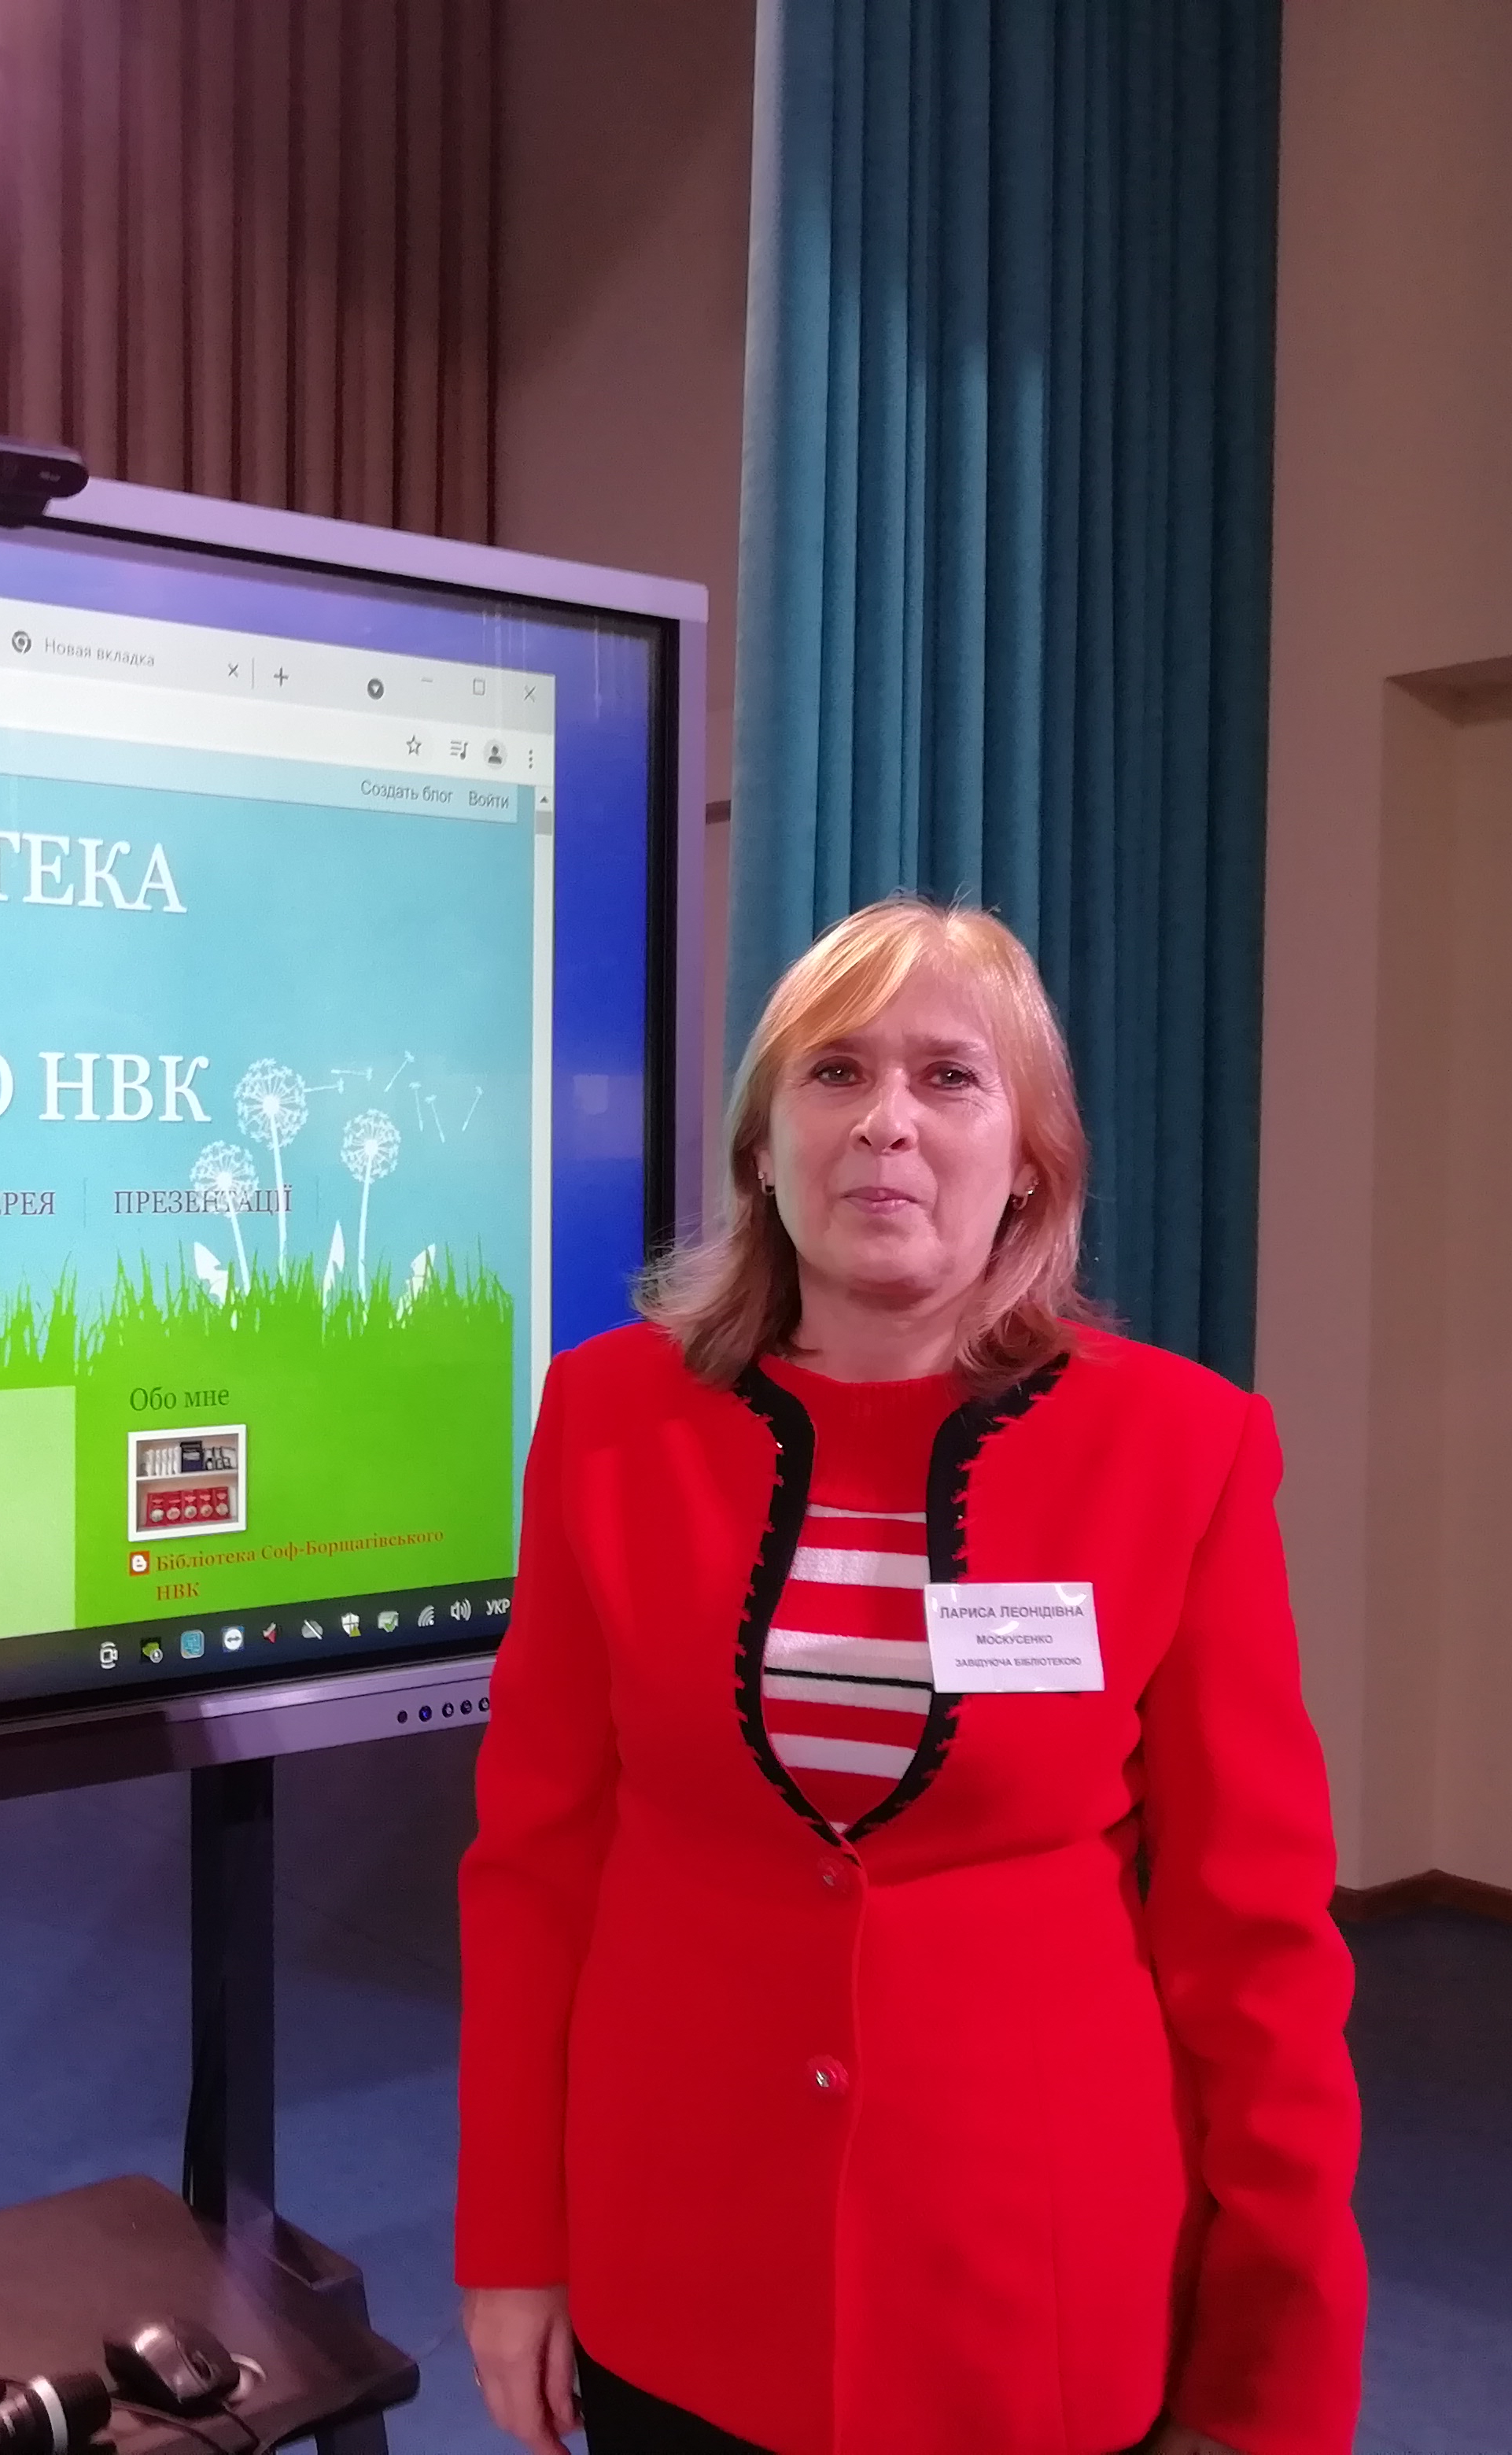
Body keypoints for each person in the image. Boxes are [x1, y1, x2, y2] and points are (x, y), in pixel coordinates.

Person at [454, 899, 1364, 2455]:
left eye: (949, 1077)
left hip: (1030, 2297)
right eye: (835, 1073)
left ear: (1031, 1161)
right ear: (761, 1148)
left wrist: (1275, 2366)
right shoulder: (605, 1421)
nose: (886, 1121)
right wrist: (511, 2246)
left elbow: (1253, 1940)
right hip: (679, 2263)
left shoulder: (1183, 1449)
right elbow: (535, 1872)